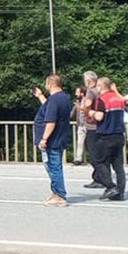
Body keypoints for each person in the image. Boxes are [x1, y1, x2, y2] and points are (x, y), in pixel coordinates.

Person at [32, 73, 73, 207]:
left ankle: (60, 195)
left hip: (53, 139)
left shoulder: (55, 99)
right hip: (60, 137)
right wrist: (39, 96)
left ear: (50, 84)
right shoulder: (63, 98)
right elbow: (47, 107)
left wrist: (44, 138)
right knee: (52, 165)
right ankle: (56, 192)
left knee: (53, 167)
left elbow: (51, 121)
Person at [88, 76, 127, 201]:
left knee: (99, 162)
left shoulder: (101, 100)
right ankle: (120, 193)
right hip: (119, 134)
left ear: (100, 86)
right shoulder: (119, 99)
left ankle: (110, 187)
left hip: (106, 134)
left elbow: (99, 117)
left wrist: (91, 113)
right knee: (118, 166)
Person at [77, 72, 101, 177]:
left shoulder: (91, 92)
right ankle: (98, 176)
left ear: (88, 81)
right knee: (99, 152)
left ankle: (100, 177)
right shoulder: (100, 90)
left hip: (91, 124)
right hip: (100, 124)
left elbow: (87, 105)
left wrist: (82, 109)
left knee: (93, 153)